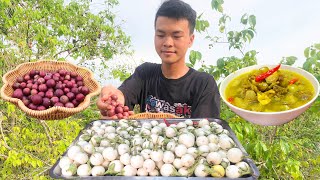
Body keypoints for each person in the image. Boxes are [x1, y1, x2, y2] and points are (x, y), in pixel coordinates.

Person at [97, 0, 220, 118]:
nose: (167, 42)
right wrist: (113, 98)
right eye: (161, 35)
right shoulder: (145, 73)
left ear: (190, 40)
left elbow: (205, 131)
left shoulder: (203, 84)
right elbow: (123, 95)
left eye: (176, 36)